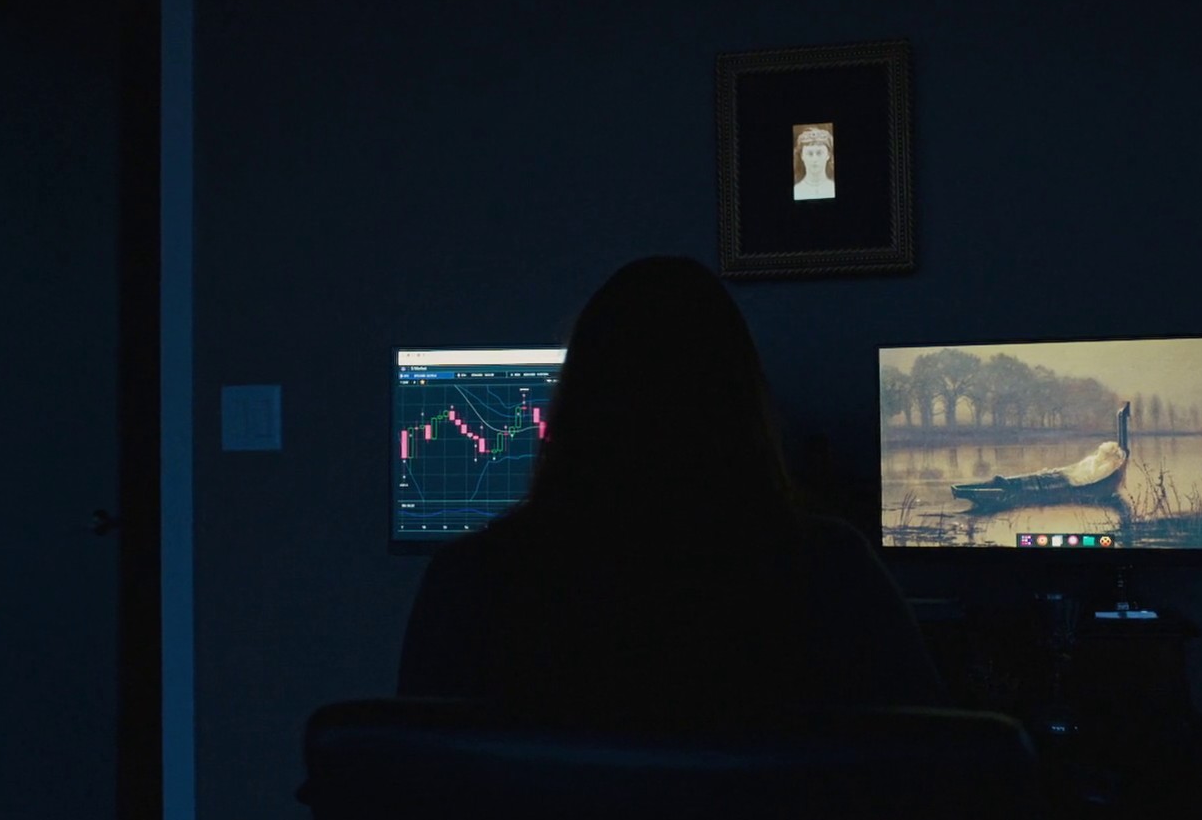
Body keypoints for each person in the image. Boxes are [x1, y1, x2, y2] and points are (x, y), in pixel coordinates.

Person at [397, 256, 944, 728]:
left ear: (576, 405)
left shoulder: (468, 581)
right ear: (741, 403)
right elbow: (930, 767)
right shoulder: (833, 572)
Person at [792, 125, 836, 201]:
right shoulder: (796, 190)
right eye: (809, 154)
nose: (814, 159)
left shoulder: (833, 188)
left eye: (819, 153)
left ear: (828, 155)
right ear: (802, 156)